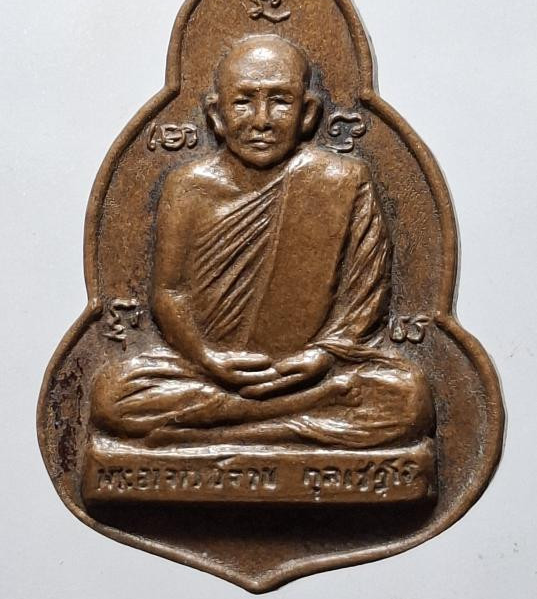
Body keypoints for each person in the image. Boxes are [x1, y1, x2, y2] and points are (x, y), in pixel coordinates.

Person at [92, 34, 434, 448]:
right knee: (112, 395)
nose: (261, 120)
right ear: (216, 115)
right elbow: (169, 293)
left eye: (280, 101)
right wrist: (208, 358)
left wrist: (321, 357)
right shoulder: (188, 186)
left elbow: (364, 297)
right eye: (243, 102)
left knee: (409, 395)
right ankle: (282, 420)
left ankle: (223, 428)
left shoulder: (342, 180)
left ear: (308, 113)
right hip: (208, 373)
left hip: (312, 373)